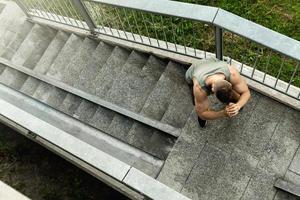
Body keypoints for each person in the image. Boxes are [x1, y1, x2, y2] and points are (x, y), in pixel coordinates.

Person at [185, 57, 251, 127]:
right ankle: (201, 117)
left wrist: (238, 105)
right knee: (198, 106)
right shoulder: (199, 89)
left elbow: (246, 92)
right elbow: (202, 113)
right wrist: (223, 113)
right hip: (193, 72)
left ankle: (236, 101)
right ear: (212, 91)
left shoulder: (232, 73)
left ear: (229, 83)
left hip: (209, 62)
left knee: (237, 98)